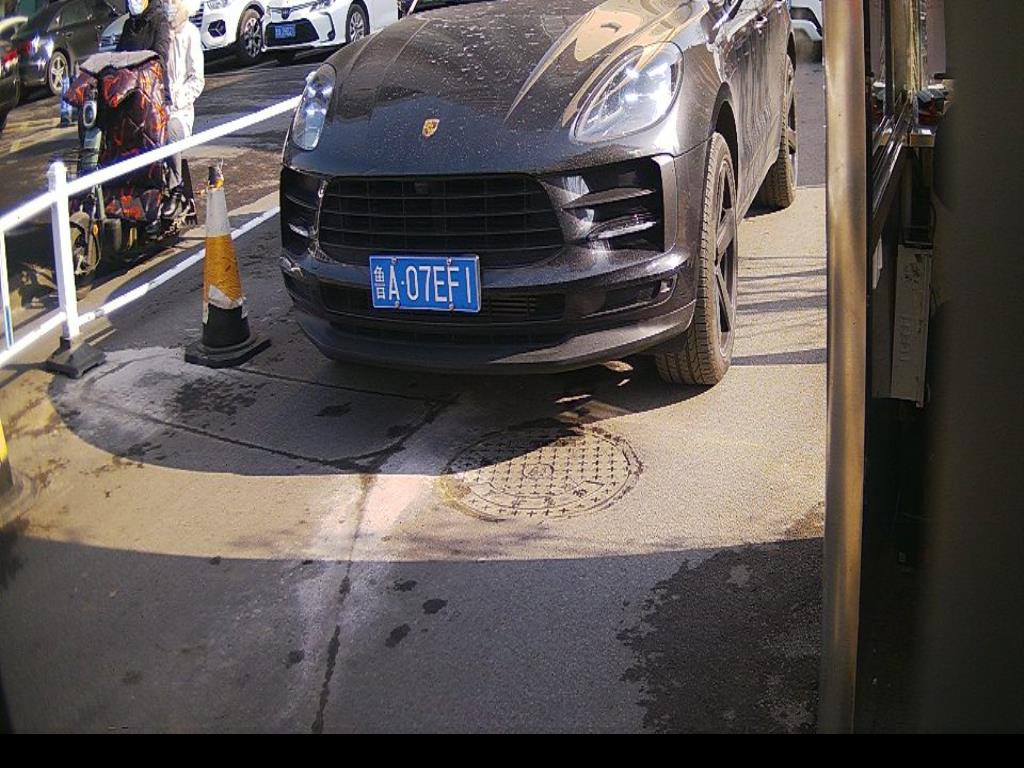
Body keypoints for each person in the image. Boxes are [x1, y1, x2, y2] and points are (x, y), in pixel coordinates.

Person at [161, 0, 204, 218]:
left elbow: (197, 79)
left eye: (173, 1)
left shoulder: (190, 34)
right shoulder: (158, 32)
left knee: (171, 131)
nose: (169, 5)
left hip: (180, 111)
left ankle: (175, 188)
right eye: (165, 1)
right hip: (156, 108)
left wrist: (176, 100)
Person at [117, 0, 172, 65]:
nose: (132, 2)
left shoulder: (159, 20)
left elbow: (161, 56)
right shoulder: (128, 24)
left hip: (148, 70)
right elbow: (118, 55)